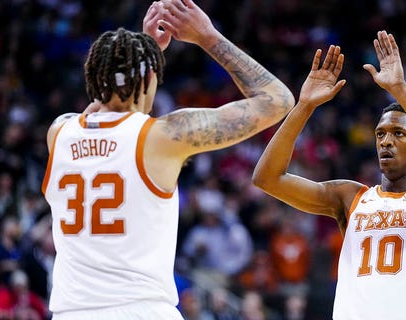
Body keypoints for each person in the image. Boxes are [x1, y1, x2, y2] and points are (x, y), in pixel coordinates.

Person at [41, 0, 295, 319]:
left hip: (71, 312)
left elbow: (101, 113)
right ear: (150, 78)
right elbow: (277, 100)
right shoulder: (163, 137)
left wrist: (143, 57)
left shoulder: (59, 132)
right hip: (141, 310)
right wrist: (207, 36)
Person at [252, 31, 406, 319]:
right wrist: (304, 107)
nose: (386, 141)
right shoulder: (350, 197)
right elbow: (267, 178)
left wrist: (400, 88)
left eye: (398, 133)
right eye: (380, 134)